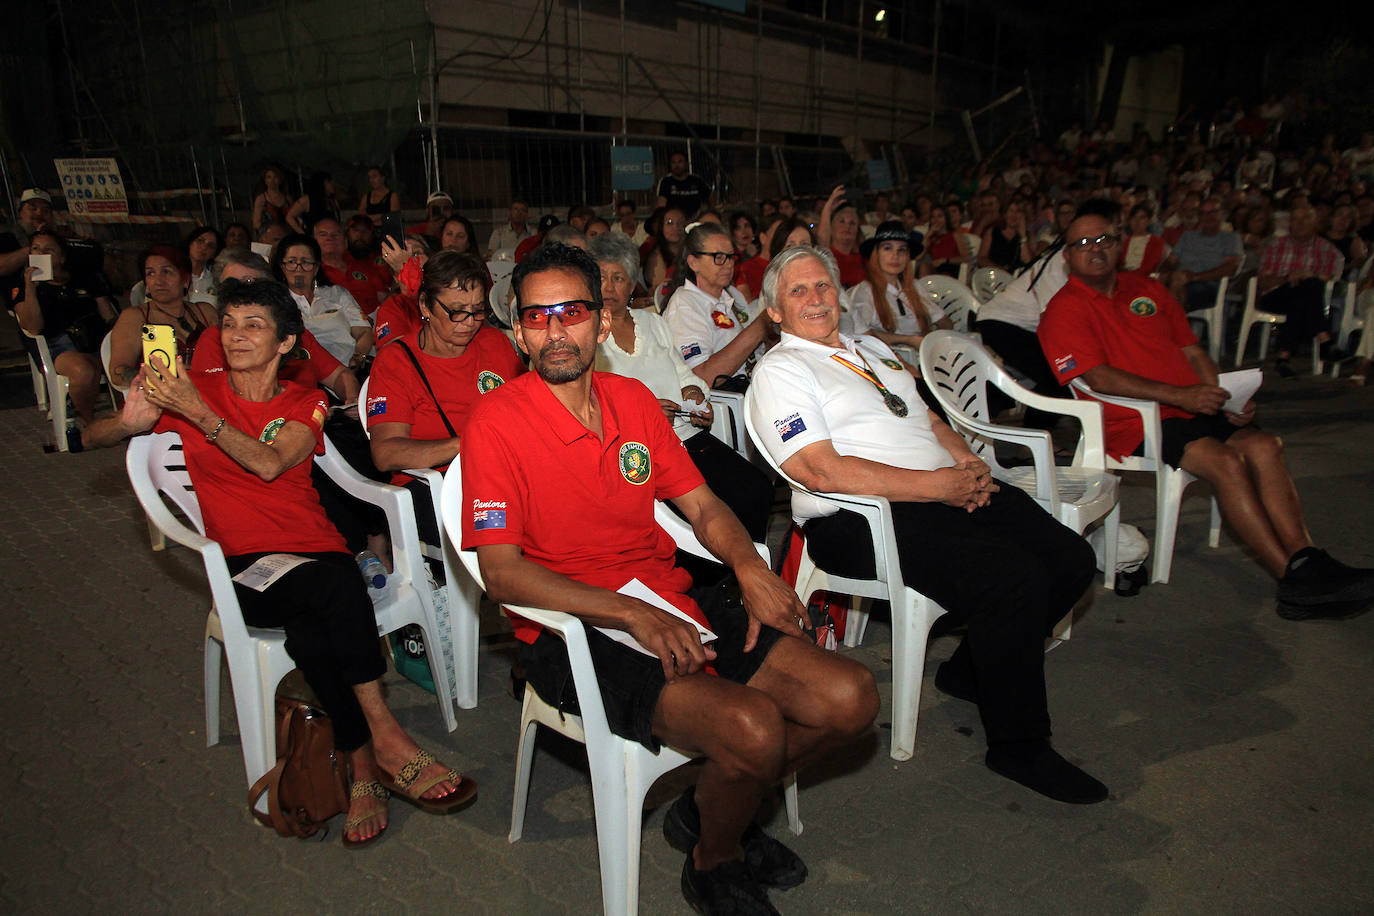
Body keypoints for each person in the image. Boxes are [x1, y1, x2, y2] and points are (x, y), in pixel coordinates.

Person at [462, 242, 877, 914]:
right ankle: (717, 856)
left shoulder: (631, 401)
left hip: (667, 596)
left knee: (851, 698)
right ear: (519, 332)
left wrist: (749, 567)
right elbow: (502, 575)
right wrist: (628, 615)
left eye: (571, 312)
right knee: (755, 730)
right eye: (536, 317)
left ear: (601, 320)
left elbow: (705, 506)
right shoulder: (497, 423)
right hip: (567, 632)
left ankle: (714, 807)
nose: (554, 329)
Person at [84, 278, 476, 847]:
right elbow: (91, 437)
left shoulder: (304, 399)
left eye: (254, 325)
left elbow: (270, 464)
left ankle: (361, 759)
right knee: (333, 591)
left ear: (287, 342)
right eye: (230, 323)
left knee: (316, 616)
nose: (237, 336)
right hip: (246, 566)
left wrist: (199, 413)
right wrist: (127, 421)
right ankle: (383, 737)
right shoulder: (196, 387)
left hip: (314, 550)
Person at [748, 245, 1106, 805]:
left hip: (938, 490)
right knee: (1012, 577)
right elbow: (818, 468)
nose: (815, 300)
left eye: (823, 287)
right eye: (798, 291)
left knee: (1071, 558)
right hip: (860, 517)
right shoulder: (782, 371)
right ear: (774, 312)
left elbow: (929, 419)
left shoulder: (872, 350)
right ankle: (1018, 744)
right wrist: (937, 487)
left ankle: (971, 671)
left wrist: (965, 462)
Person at [1038, 213, 1374, 620]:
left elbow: (1192, 351)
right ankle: (1292, 579)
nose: (1096, 249)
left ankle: (1306, 560)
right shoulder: (1062, 309)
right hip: (1137, 420)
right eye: (1083, 243)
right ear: (1067, 257)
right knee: (1226, 462)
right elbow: (1098, 377)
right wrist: (1183, 396)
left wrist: (1227, 397)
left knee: (1266, 446)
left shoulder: (1147, 289)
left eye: (1104, 239)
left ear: (1120, 243)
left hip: (1193, 402)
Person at [590, 232, 773, 542]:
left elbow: (683, 372)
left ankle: (739, 575)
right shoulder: (585, 333)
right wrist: (644, 413)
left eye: (618, 278)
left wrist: (693, 394)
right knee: (696, 511)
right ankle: (707, 580)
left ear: (633, 283)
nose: (609, 286)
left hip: (684, 435)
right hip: (635, 448)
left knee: (755, 488)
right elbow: (589, 398)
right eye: (601, 277)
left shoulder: (652, 324)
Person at [366, 250, 524, 541]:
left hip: (503, 474)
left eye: (478, 310)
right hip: (437, 485)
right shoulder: (397, 361)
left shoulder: (494, 344)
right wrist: (470, 443)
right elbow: (385, 453)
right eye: (456, 311)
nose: (469, 321)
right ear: (425, 305)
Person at [12, 230, 117, 434]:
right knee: (84, 370)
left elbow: (108, 315)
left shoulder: (84, 279)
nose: (41, 254)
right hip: (57, 347)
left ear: (61, 257)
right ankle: (89, 421)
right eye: (36, 249)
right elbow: (33, 327)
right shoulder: (24, 286)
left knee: (119, 361)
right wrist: (31, 288)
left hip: (94, 340)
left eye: (48, 250)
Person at [662, 223, 767, 387]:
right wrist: (760, 326)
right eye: (718, 257)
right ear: (693, 262)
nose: (728, 264)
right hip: (727, 399)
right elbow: (702, 377)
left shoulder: (733, 295)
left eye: (731, 256)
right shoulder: (684, 304)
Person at [108, 245, 218, 391]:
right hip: (158, 397)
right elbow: (118, 373)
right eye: (150, 273)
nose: (158, 281)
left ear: (185, 279)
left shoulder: (205, 312)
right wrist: (161, 378)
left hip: (208, 391)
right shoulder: (135, 317)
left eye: (166, 272)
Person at [1257, 205, 1346, 376]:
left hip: (1305, 300)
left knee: (1304, 292)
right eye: (1295, 219)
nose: (1300, 223)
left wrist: (1308, 276)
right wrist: (1288, 278)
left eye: (1305, 218)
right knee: (1306, 289)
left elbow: (1331, 281)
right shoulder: (1276, 245)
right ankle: (1324, 340)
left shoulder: (1328, 250)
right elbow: (1264, 282)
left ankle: (1283, 358)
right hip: (1276, 296)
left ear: (1315, 222)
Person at [272, 233, 375, 371]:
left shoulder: (337, 293)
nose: (298, 268)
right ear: (282, 266)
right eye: (291, 262)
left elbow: (363, 331)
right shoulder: (275, 302)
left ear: (316, 267)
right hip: (308, 373)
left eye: (305, 262)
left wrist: (358, 358)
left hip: (352, 365)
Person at [848, 221, 950, 359]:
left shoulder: (915, 287)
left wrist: (935, 340)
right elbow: (862, 335)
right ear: (876, 254)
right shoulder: (865, 292)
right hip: (890, 360)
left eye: (902, 249)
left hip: (926, 355)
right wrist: (908, 340)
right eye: (887, 248)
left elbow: (945, 321)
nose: (895, 256)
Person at [1163, 198, 1242, 312]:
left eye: (1212, 212)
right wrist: (1168, 274)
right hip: (1180, 279)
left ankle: (1170, 324)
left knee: (1176, 289)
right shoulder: (1188, 237)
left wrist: (1194, 277)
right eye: (1203, 213)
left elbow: (1230, 268)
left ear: (1222, 214)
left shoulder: (1231, 238)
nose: (1207, 217)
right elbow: (1170, 261)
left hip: (1208, 284)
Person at [314, 217, 389, 315]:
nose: (330, 238)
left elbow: (384, 299)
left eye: (335, 234)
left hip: (374, 323)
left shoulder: (365, 267)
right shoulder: (310, 273)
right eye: (323, 234)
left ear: (345, 241)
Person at [816, 187, 865, 287]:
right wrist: (828, 208)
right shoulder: (826, 257)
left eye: (852, 223)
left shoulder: (865, 260)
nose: (847, 226)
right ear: (831, 226)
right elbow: (821, 241)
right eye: (842, 221)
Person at [979, 200, 1033, 272]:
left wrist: (1023, 236)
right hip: (993, 272)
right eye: (1011, 211)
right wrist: (1000, 269)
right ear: (1004, 214)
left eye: (1018, 211)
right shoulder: (992, 231)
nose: (1014, 215)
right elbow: (981, 259)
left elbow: (1028, 262)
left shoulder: (1027, 236)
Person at [655, 151, 712, 218]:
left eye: (680, 162)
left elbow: (710, 196)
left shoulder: (696, 180)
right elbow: (661, 205)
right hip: (675, 222)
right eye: (673, 162)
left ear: (686, 164)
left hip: (695, 220)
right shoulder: (665, 182)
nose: (677, 166)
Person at [643, 206, 687, 294]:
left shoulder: (691, 253)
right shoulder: (655, 257)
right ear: (661, 227)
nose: (676, 227)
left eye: (680, 223)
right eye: (669, 223)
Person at [1118, 204, 1169, 276]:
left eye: (1142, 218)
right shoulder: (1124, 241)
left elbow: (1150, 267)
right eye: (1134, 218)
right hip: (1122, 277)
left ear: (1149, 221)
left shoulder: (1156, 242)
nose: (1137, 221)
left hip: (1143, 278)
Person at [919, 206, 968, 278]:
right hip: (936, 269)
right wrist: (928, 235)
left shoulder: (955, 235)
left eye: (939, 216)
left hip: (951, 266)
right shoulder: (931, 237)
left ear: (946, 218)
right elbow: (919, 256)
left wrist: (945, 260)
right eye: (933, 217)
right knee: (924, 267)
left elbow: (966, 258)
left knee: (945, 274)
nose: (936, 220)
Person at [184, 225, 223, 305]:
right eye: (200, 241)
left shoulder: (216, 279)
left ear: (214, 253)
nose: (204, 247)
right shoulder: (176, 273)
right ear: (190, 243)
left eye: (210, 245)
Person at [251, 166, 291, 232]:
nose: (272, 180)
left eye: (275, 177)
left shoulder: (287, 198)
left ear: (280, 180)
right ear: (265, 181)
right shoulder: (261, 199)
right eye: (269, 177)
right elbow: (256, 223)